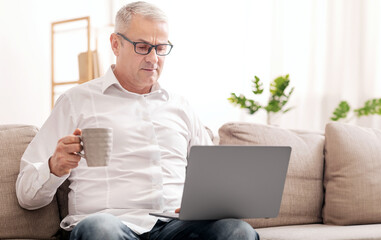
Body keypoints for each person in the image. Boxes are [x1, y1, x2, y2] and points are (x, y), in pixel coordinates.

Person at [16, 1, 259, 240]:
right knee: (100, 229)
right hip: (109, 223)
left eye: (161, 48)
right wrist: (53, 166)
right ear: (115, 44)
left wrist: (208, 205)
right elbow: (26, 196)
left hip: (176, 226)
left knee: (237, 230)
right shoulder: (76, 101)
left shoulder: (181, 106)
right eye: (142, 46)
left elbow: (213, 181)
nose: (153, 58)